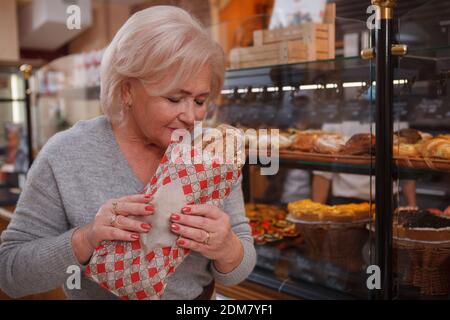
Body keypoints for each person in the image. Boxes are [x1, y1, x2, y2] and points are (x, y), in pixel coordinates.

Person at [0, 6, 256, 300]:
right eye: (174, 98)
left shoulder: (210, 153)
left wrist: (227, 247)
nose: (191, 116)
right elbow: (10, 274)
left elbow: (240, 266)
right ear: (127, 91)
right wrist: (86, 238)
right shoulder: (66, 154)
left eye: (200, 100)